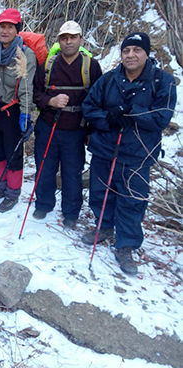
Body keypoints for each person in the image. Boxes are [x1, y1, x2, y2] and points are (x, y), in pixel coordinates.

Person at [82, 32, 176, 274]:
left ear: (146, 53)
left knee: (132, 199)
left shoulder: (161, 81)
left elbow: (162, 116)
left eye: (137, 50)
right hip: (105, 148)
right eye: (126, 51)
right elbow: (90, 108)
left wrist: (131, 111)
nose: (131, 55)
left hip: (138, 152)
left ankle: (126, 244)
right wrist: (109, 119)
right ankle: (103, 226)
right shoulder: (109, 79)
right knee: (101, 191)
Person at [32, 21, 102, 228]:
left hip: (76, 129)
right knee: (44, 167)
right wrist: (50, 102)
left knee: (72, 172)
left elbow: (99, 99)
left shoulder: (91, 66)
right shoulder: (48, 65)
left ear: (81, 40)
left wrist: (91, 130)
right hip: (47, 126)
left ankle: (71, 212)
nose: (68, 41)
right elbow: (35, 94)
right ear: (59, 41)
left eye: (73, 37)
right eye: (64, 38)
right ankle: (43, 204)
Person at [0, 8, 37, 213]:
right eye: (2, 27)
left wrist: (25, 114)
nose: (5, 31)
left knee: (13, 154)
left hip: (13, 111)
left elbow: (27, 87)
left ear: (17, 30)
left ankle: (13, 193)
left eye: (10, 27)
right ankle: (0, 186)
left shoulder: (25, 55)